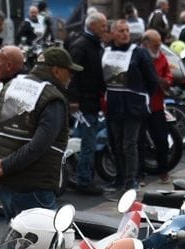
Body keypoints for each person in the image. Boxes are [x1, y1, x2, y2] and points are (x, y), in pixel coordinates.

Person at [0, 47, 79, 218]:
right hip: (34, 186)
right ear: (56, 71)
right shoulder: (53, 98)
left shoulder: (11, 86)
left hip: (5, 183)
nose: (71, 77)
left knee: (15, 239)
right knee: (42, 241)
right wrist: (4, 165)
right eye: (69, 72)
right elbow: (39, 145)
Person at [103, 19, 158, 191]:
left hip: (133, 106)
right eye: (121, 30)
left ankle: (130, 180)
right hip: (113, 104)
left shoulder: (139, 53)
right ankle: (119, 177)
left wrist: (140, 95)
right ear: (113, 33)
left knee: (129, 144)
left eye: (127, 30)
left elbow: (152, 80)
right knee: (116, 144)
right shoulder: (105, 52)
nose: (125, 33)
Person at [68, 12, 108, 196]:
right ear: (92, 26)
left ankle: (84, 177)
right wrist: (74, 99)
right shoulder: (81, 46)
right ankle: (84, 181)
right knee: (88, 143)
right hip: (85, 102)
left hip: (91, 100)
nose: (105, 29)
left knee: (87, 141)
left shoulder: (93, 44)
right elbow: (73, 75)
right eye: (102, 25)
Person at [140, 30, 173, 182]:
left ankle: (163, 170)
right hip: (140, 104)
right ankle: (139, 173)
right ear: (146, 44)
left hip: (157, 105)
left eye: (159, 44)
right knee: (138, 141)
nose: (157, 48)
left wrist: (166, 80)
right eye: (155, 45)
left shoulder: (161, 57)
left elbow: (168, 74)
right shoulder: (139, 56)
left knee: (161, 139)